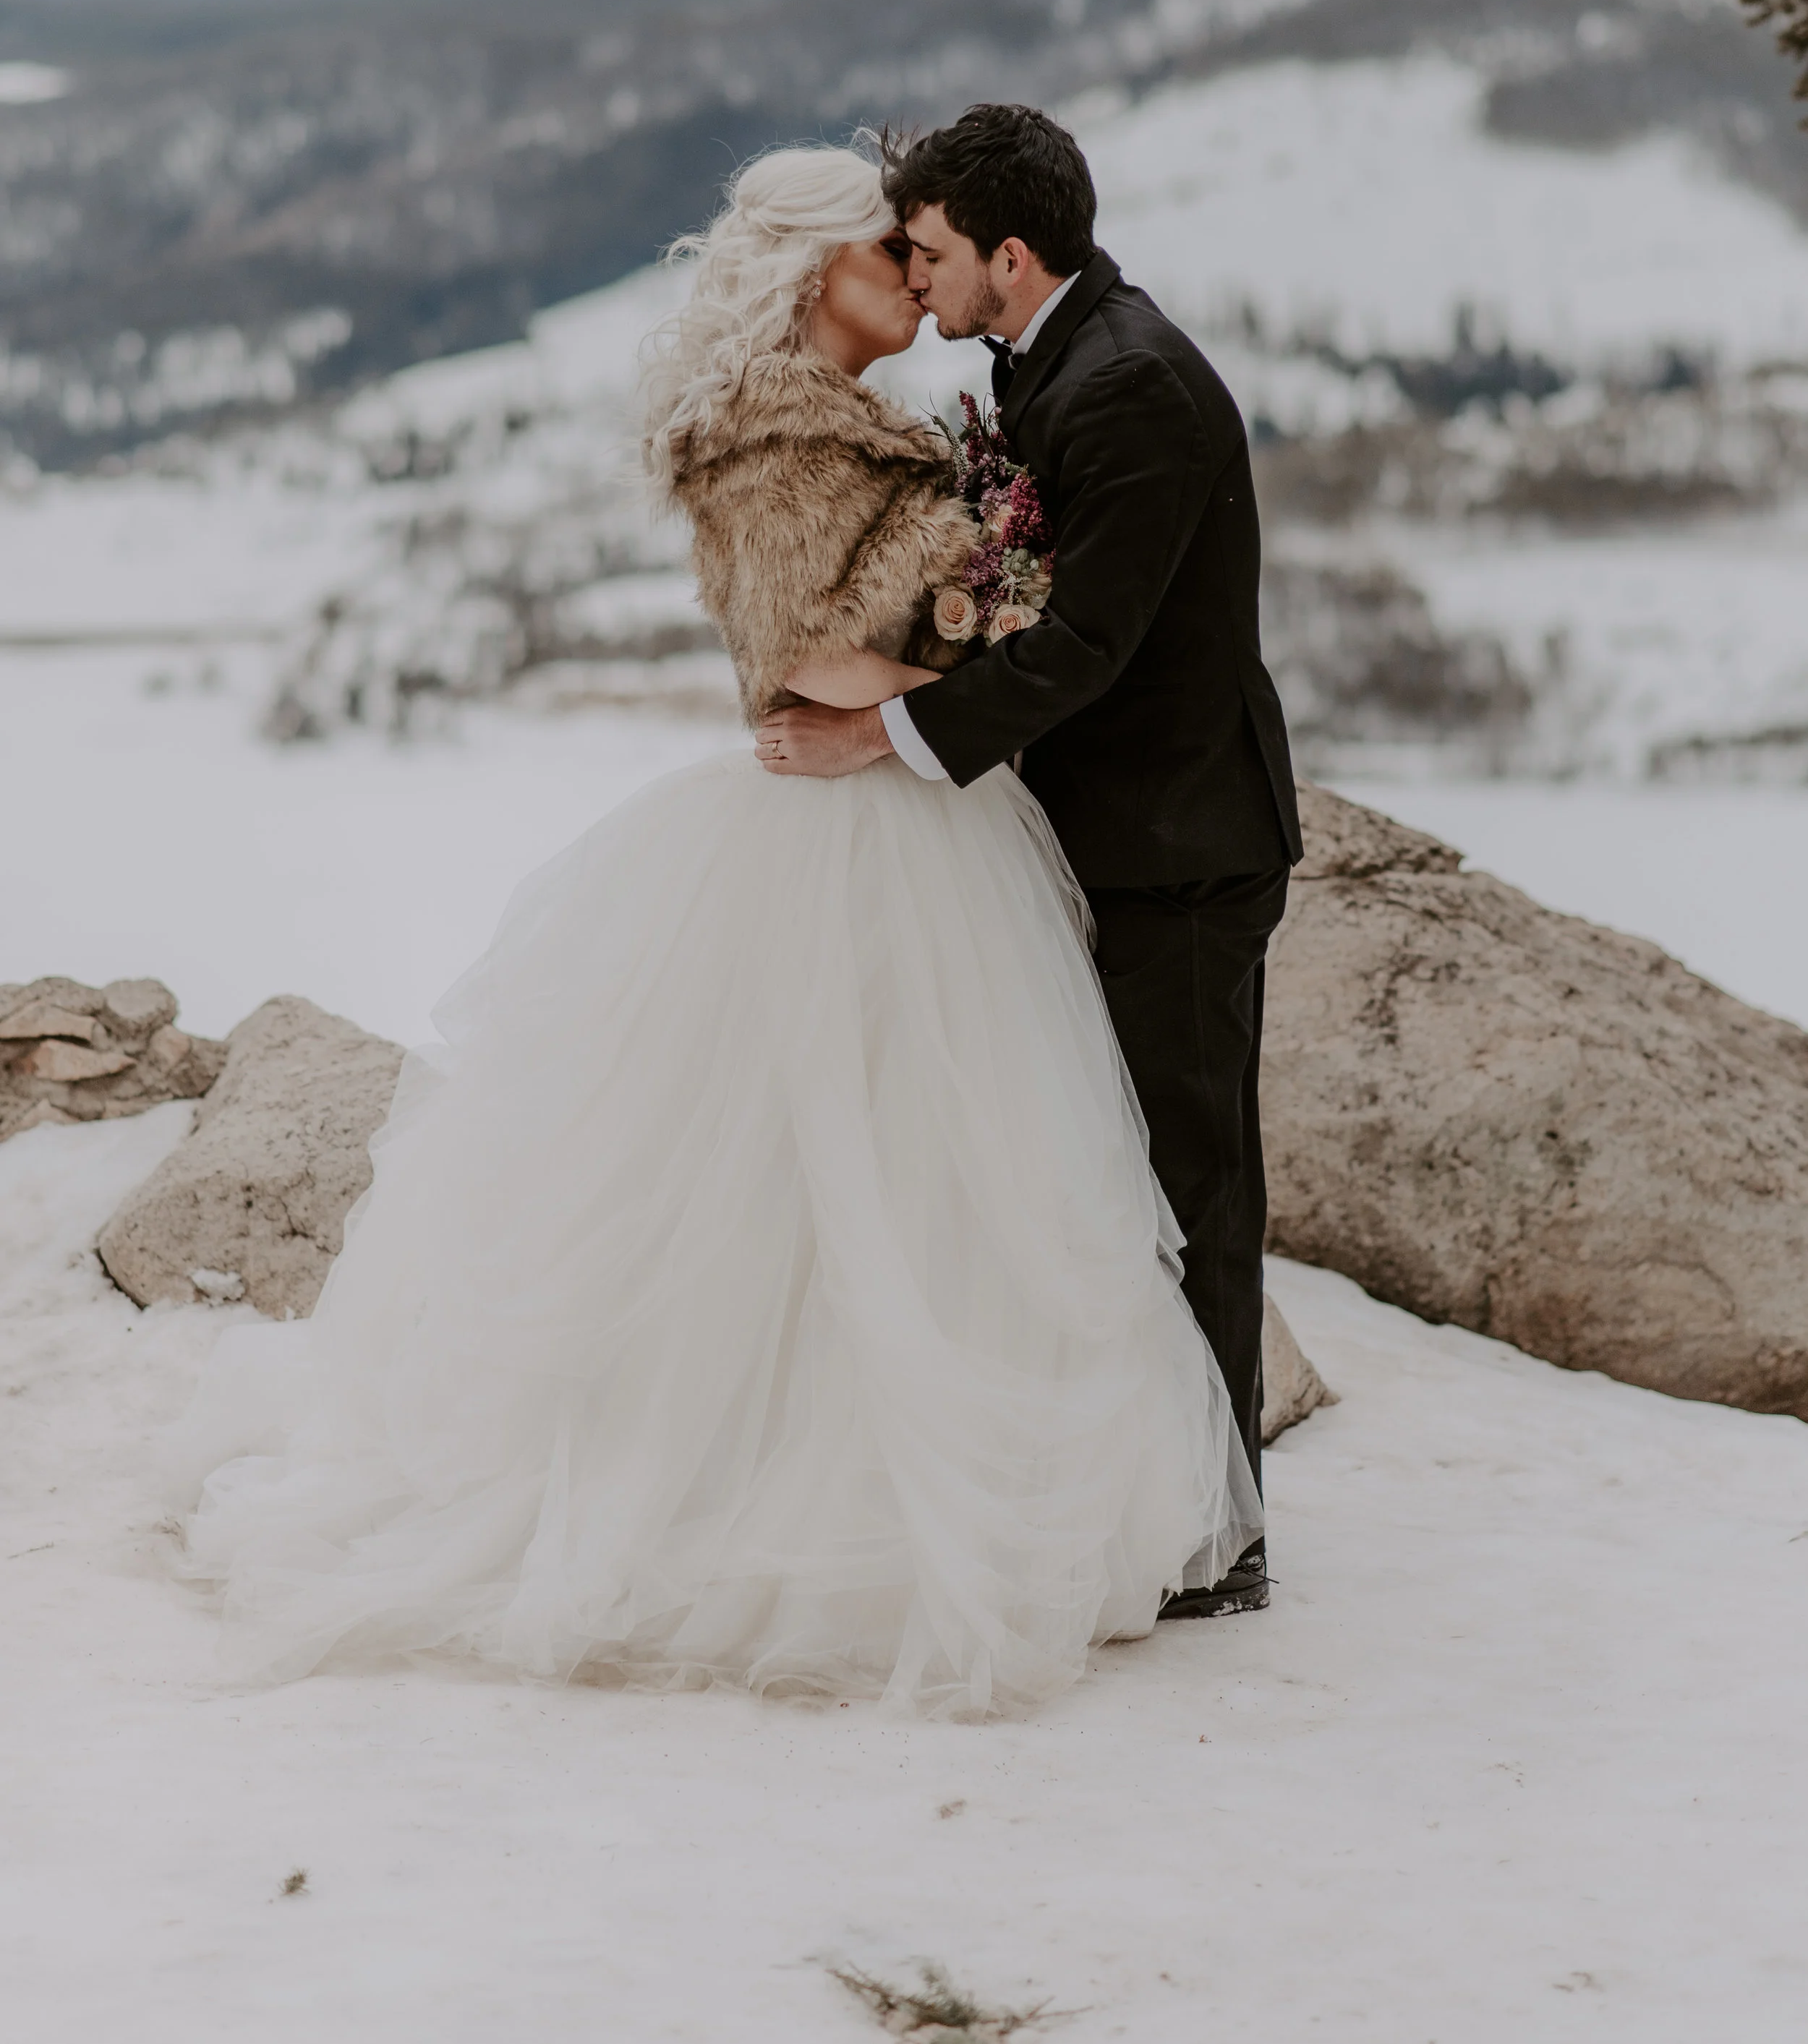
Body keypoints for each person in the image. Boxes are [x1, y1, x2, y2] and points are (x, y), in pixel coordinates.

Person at [169, 146, 1261, 1715]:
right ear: (819, 273)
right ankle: (808, 1494)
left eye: (926, 247)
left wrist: (945, 681)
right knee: (827, 1169)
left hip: (931, 824)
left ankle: (1124, 1505)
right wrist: (941, 688)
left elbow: (980, 630)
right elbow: (795, 661)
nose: (915, 274)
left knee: (953, 1172)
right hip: (852, 836)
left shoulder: (944, 407)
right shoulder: (769, 439)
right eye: (890, 249)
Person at [759, 106, 1300, 1616]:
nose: (912, 277)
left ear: (1008, 253)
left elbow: (1083, 642)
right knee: (1104, 1172)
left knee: (1188, 1184)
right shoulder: (1054, 353)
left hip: (1177, 848)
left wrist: (889, 739)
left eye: (926, 252)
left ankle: (1217, 1532)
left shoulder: (1126, 388)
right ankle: (1153, 1492)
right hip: (1116, 833)